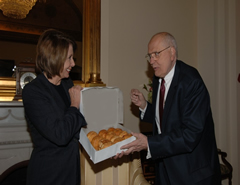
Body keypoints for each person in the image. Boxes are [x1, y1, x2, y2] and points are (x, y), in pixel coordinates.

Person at [115, 32, 221, 184]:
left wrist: (150, 143)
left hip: (190, 173)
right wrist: (145, 105)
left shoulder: (191, 82)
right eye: (149, 56)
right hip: (165, 168)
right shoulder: (158, 79)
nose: (152, 61)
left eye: (156, 54)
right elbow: (166, 118)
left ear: (172, 52)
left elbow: (190, 134)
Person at [22, 29, 87, 185]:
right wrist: (74, 104)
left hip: (71, 171)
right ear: (55, 58)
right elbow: (60, 135)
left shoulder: (67, 84)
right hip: (49, 175)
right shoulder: (33, 91)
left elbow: (76, 124)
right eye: (69, 58)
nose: (73, 63)